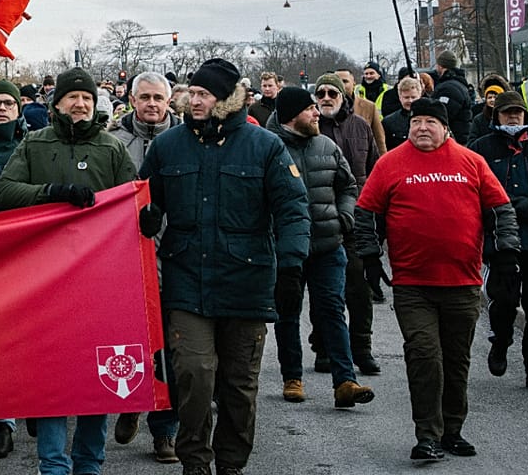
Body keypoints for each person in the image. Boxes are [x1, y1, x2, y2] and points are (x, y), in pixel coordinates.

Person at [139, 58, 309, 475]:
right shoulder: (167, 145)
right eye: (192, 93)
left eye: (203, 94)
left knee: (238, 385)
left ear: (226, 99)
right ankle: (195, 462)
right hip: (185, 280)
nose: (193, 100)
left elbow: (292, 207)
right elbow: (143, 198)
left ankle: (231, 464)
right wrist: (145, 214)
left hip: (246, 282)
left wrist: (291, 265)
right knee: (194, 375)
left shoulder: (264, 146)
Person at [354, 97, 519, 461]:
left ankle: (452, 430)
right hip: (413, 284)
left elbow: (500, 209)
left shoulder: (471, 162)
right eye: (417, 122)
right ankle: (427, 433)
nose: (422, 128)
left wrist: (506, 253)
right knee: (425, 355)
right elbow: (365, 211)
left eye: (431, 122)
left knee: (456, 358)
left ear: (446, 128)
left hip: (462, 282)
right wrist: (368, 256)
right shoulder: (390, 163)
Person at [0, 68, 136, 475]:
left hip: (100, 281)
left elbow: (133, 198)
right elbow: (5, 192)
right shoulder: (34, 144)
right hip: (45, 280)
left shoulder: (111, 149)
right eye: (72, 98)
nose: (80, 104)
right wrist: (51, 195)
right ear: (56, 103)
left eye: (87, 99)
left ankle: (89, 463)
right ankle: (52, 465)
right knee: (53, 375)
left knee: (96, 377)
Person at [266, 87, 374, 408]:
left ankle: (345, 381)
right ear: (291, 115)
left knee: (331, 310)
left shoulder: (326, 146)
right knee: (288, 313)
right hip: (286, 249)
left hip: (328, 245)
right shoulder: (269, 150)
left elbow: (348, 186)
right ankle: (292, 377)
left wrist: (344, 216)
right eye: (310, 108)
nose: (317, 113)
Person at [106, 71, 182, 463]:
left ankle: (165, 430)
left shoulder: (186, 142)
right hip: (125, 259)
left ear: (169, 101)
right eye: (145, 97)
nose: (152, 104)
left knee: (168, 345)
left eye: (158, 98)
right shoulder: (114, 143)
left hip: (175, 255)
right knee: (129, 338)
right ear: (132, 100)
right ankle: (131, 401)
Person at [468, 90, 528, 392]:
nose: (513, 116)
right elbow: (471, 187)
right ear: (497, 116)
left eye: (518, 112)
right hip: (500, 238)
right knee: (503, 300)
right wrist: (499, 205)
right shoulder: (480, 149)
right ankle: (500, 341)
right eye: (507, 112)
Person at [312, 72, 382, 377]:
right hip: (323, 221)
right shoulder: (310, 128)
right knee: (325, 291)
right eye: (321, 93)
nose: (326, 98)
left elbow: (375, 170)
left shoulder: (360, 127)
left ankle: (362, 348)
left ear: (344, 97)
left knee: (359, 288)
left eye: (332, 93)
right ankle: (324, 349)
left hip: (359, 218)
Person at [334, 68, 387, 156]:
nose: (341, 85)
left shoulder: (369, 107)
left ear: (353, 83)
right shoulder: (326, 108)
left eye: (345, 81)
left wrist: (383, 162)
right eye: (337, 82)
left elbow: (379, 140)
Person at [431, 51, 475, 142]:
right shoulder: (459, 84)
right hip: (460, 137)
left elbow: (442, 114)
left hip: (453, 139)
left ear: (440, 66)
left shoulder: (448, 88)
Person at [381, 75, 422, 151]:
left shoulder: (430, 120)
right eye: (406, 97)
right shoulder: (388, 122)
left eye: (413, 97)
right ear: (400, 97)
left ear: (419, 96)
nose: (410, 101)